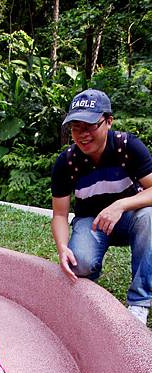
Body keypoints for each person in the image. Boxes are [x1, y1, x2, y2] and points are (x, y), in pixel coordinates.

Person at [51, 89, 152, 325]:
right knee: (80, 263)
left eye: (89, 126)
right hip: (91, 222)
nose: (82, 135)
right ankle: (88, 285)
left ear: (108, 121)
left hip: (129, 219)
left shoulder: (127, 147)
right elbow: (59, 214)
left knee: (149, 216)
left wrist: (121, 205)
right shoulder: (66, 162)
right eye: (76, 128)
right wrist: (62, 247)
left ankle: (139, 303)